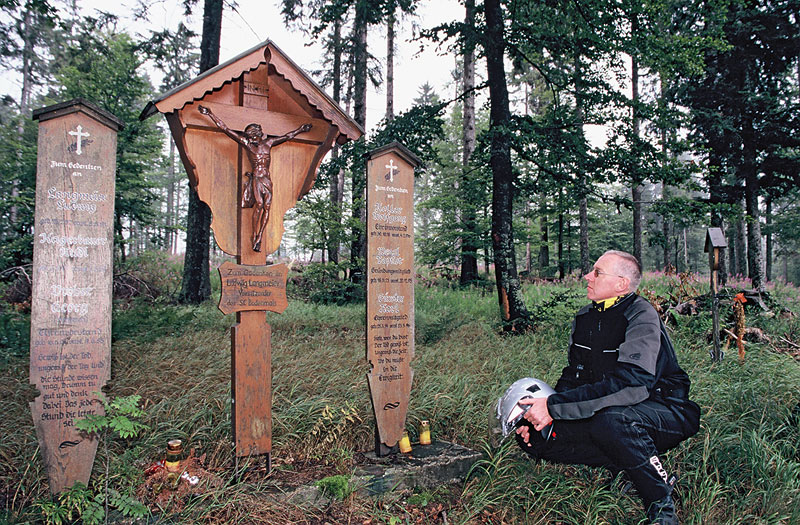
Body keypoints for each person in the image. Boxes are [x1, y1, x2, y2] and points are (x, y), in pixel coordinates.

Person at [515, 250, 700, 525]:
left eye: (598, 272)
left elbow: (633, 385)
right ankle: (624, 463)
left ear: (621, 284)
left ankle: (661, 503)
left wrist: (554, 408)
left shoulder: (641, 315)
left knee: (612, 423)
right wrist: (545, 414)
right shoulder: (585, 317)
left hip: (665, 407)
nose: (588, 276)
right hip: (609, 407)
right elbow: (573, 376)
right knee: (535, 436)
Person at [198, 105, 312, 252]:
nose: (250, 137)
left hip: (267, 179)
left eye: (252, 134)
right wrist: (210, 114)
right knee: (258, 204)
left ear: (258, 133)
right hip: (257, 178)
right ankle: (254, 235)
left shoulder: (268, 143)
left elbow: (288, 136)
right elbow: (225, 129)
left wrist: (301, 129)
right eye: (248, 135)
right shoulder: (247, 144)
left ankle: (260, 236)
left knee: (267, 207)